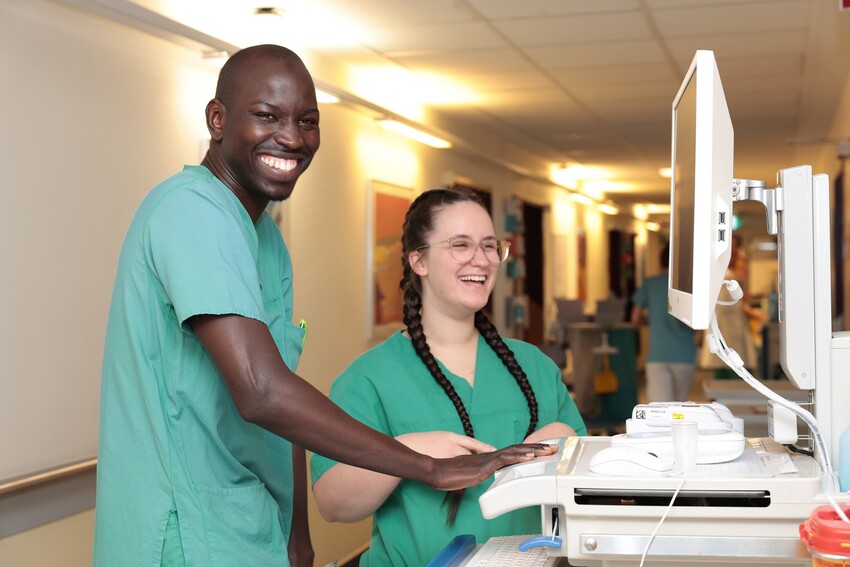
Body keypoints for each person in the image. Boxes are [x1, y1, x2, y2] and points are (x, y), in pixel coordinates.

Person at [93, 45, 555, 567]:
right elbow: (262, 391)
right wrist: (427, 465)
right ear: (217, 119)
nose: (292, 137)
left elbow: (282, 392)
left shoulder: (265, 239)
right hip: (185, 529)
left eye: (307, 121)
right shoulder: (190, 210)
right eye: (267, 115)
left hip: (249, 527)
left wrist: (297, 536)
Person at [310, 187, 587, 566]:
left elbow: (588, 486)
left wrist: (567, 443)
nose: (481, 259)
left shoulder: (533, 365)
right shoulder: (368, 379)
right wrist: (407, 452)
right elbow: (333, 504)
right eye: (461, 245)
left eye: (489, 246)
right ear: (418, 260)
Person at [630, 243, 697, 402]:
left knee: (660, 408)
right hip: (684, 355)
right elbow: (698, 322)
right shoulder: (688, 284)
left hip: (657, 355)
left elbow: (634, 318)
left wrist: (651, 320)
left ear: (661, 261)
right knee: (679, 406)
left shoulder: (650, 284)